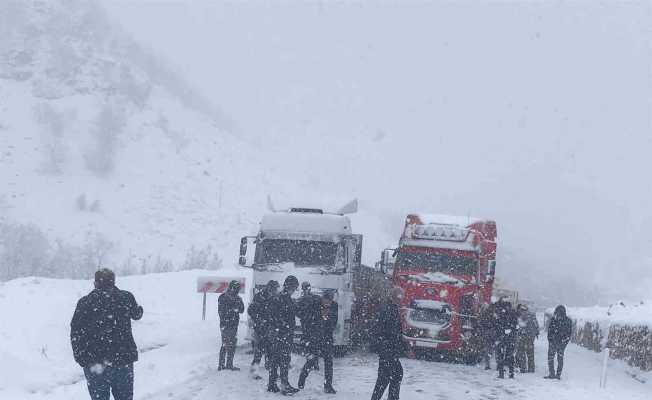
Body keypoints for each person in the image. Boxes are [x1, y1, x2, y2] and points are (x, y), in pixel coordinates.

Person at [70, 268, 144, 400]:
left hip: (95, 362)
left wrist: (80, 356)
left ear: (95, 283)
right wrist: (139, 309)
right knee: (125, 397)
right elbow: (137, 315)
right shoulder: (126, 297)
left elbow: (76, 331)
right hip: (123, 359)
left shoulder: (85, 302)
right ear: (113, 281)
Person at [298, 291, 338, 394]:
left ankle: (328, 385)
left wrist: (327, 318)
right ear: (322, 299)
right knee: (312, 361)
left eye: (329, 301)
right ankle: (302, 379)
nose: (327, 303)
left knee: (329, 362)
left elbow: (334, 322)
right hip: (315, 338)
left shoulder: (334, 306)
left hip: (327, 338)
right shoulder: (314, 305)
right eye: (326, 301)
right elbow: (308, 321)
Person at [370, 287, 405, 400]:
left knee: (392, 375)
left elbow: (393, 332)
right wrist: (384, 345)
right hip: (387, 350)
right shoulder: (388, 309)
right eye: (399, 297)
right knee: (386, 377)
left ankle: (391, 398)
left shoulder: (391, 308)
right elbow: (382, 329)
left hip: (389, 350)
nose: (400, 300)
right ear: (394, 297)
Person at [267, 275, 300, 395]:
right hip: (283, 334)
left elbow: (274, 316)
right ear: (291, 286)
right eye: (295, 287)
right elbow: (277, 316)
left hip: (279, 334)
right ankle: (284, 386)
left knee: (275, 360)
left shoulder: (281, 297)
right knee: (284, 360)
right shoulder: (284, 298)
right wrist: (284, 327)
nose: (294, 290)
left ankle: (272, 384)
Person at [248, 280, 279, 379]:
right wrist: (259, 320)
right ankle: (254, 373)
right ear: (270, 288)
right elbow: (251, 310)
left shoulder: (274, 298)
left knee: (271, 351)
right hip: (260, 329)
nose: (275, 291)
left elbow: (275, 313)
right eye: (274, 289)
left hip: (270, 329)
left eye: (276, 289)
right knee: (259, 352)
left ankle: (271, 371)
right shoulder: (259, 297)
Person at [218, 280, 245, 371]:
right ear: (232, 288)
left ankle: (229, 364)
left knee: (232, 344)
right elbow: (222, 312)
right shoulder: (223, 297)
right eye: (236, 289)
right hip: (226, 324)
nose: (237, 291)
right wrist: (233, 309)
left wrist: (235, 308)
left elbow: (242, 309)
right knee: (225, 344)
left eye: (238, 289)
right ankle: (222, 365)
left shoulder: (237, 298)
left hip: (233, 324)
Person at [545, 305, 572, 380]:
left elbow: (568, 334)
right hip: (555, 342)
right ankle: (554, 374)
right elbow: (550, 331)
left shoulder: (565, 321)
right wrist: (550, 339)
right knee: (555, 358)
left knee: (556, 358)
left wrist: (564, 342)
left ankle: (556, 374)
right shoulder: (555, 320)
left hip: (559, 343)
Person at [296, 281, 322, 355]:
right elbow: (297, 311)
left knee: (310, 340)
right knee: (308, 339)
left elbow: (319, 309)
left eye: (306, 287)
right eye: (305, 288)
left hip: (311, 323)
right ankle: (310, 354)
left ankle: (310, 354)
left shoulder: (314, 298)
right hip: (307, 323)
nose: (306, 289)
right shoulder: (303, 299)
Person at [495, 301, 518, 379]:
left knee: (501, 355)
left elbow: (498, 325)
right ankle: (511, 373)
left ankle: (501, 373)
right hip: (510, 339)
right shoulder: (513, 315)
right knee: (510, 356)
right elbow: (516, 327)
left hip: (503, 338)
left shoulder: (502, 314)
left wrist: (500, 335)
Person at [515, 304, 539, 373]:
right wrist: (536, 333)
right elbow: (536, 326)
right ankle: (531, 368)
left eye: (522, 310)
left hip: (524, 337)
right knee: (529, 353)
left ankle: (523, 368)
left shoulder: (522, 317)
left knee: (522, 352)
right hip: (529, 337)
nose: (522, 312)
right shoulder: (532, 316)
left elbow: (519, 326)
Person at [478, 303, 497, 370]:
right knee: (491, 349)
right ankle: (488, 363)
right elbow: (496, 324)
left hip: (486, 333)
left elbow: (481, 323)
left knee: (487, 348)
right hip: (492, 333)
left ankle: (487, 364)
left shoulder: (484, 314)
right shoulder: (493, 315)